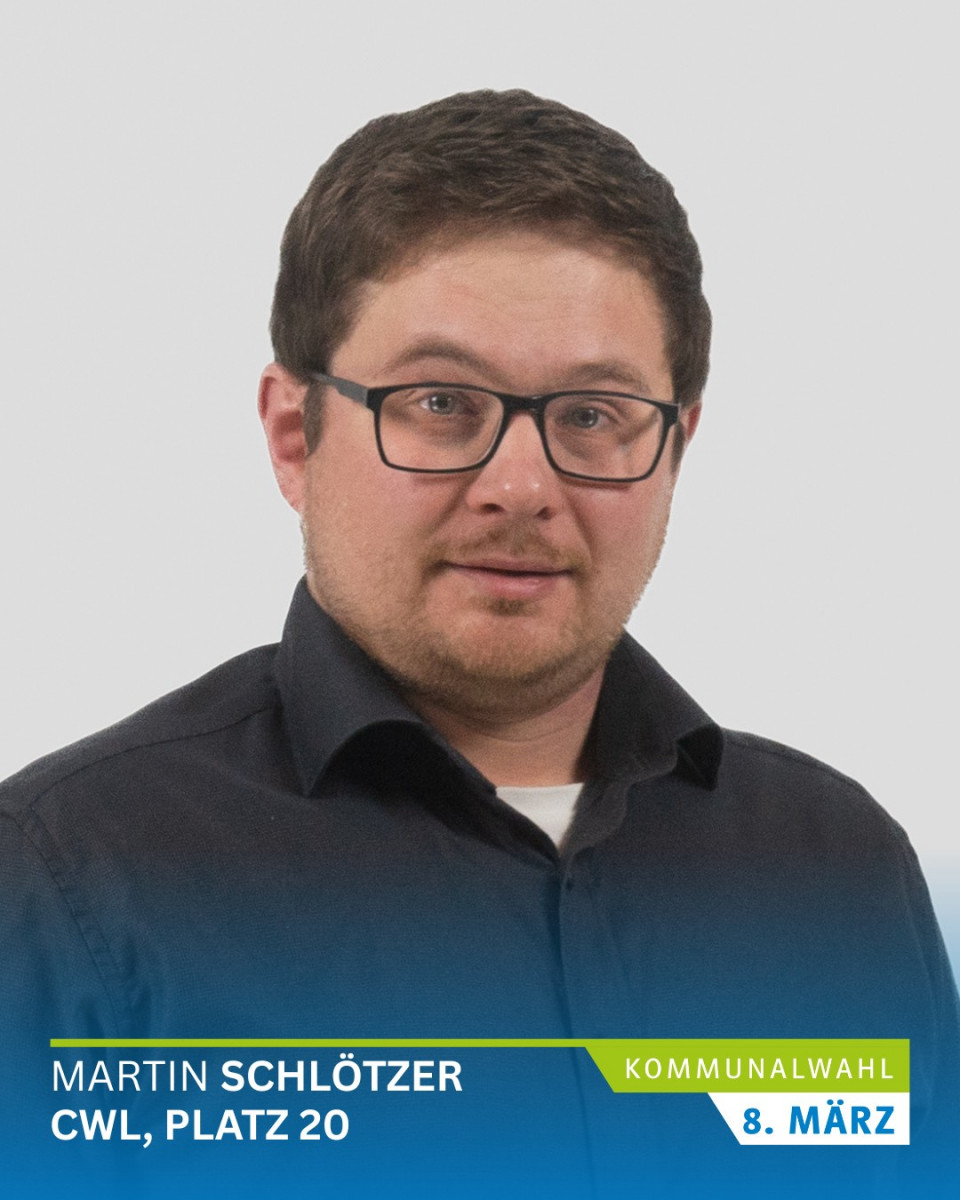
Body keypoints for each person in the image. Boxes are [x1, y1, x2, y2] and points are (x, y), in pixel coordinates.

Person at [1, 90, 957, 1200]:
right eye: (441, 402)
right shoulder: (67, 882)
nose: (521, 487)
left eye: (592, 415)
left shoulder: (840, 873)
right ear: (295, 436)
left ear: (674, 450)